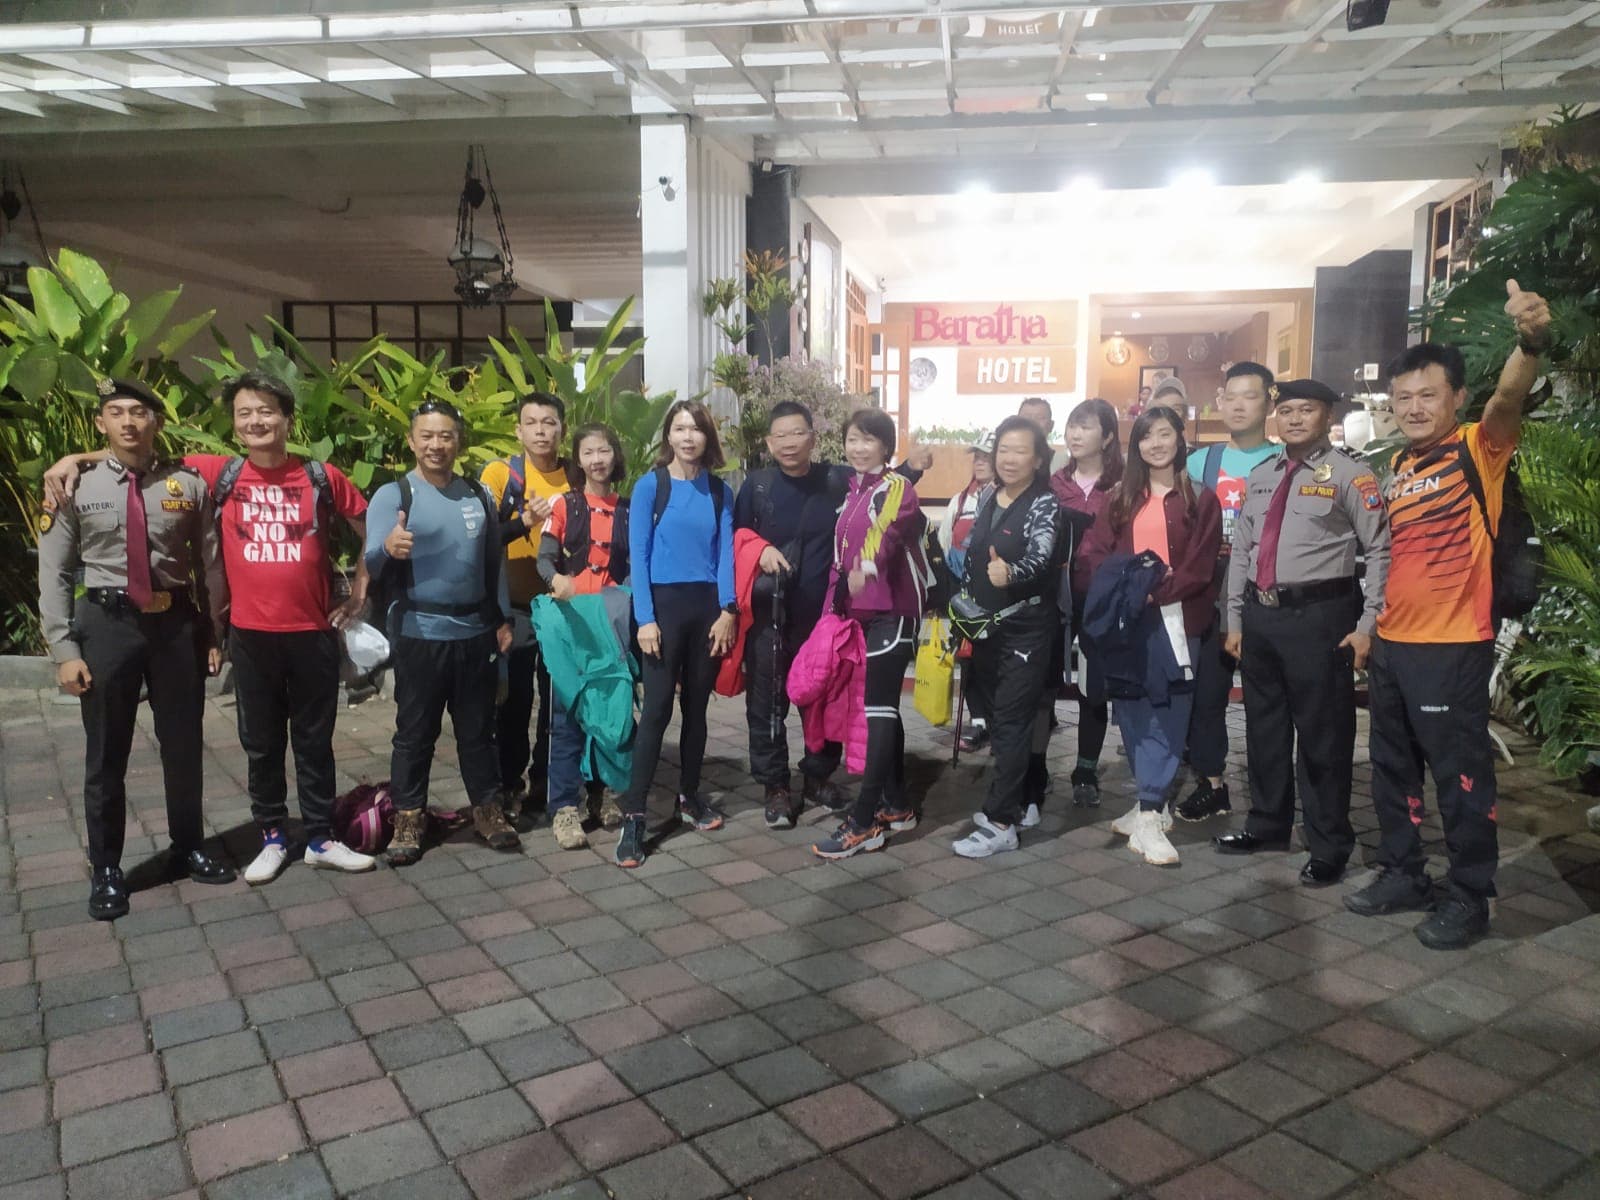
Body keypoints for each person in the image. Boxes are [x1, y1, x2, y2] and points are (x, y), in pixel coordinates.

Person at [43, 370, 380, 883]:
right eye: (245, 413)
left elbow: (369, 523)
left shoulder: (319, 476)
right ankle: (269, 836)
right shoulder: (215, 473)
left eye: (267, 411)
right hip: (245, 633)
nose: (256, 421)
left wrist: (360, 592)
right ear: (235, 424)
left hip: (309, 630)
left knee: (312, 739)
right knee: (260, 742)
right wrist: (76, 460)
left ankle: (318, 836)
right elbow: (138, 459)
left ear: (287, 419)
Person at [1347, 280, 1551, 949]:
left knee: (1461, 778)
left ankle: (1470, 894)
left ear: (1455, 398)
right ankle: (1404, 872)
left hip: (1453, 646)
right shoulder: (1402, 464)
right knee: (1392, 768)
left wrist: (1529, 342)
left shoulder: (1478, 446)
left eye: (1427, 394)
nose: (1413, 407)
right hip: (1394, 646)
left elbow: (1508, 398)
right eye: (1402, 397)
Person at [38, 378, 233, 920]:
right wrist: (64, 649)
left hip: (175, 626)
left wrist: (213, 631)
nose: (128, 422)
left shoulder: (188, 483)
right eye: (116, 413)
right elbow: (53, 571)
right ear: (102, 424)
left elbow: (210, 563)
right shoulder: (72, 484)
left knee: (184, 743)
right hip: (106, 626)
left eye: (139, 412)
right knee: (106, 755)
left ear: (157, 423)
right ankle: (106, 868)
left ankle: (188, 843)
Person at [1216, 379, 1391, 886]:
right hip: (1262, 616)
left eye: (1306, 410)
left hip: (1320, 619)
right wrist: (1235, 618)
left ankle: (1329, 841)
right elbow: (1243, 551)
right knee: (1264, 729)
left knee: (1323, 736)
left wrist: (1367, 626)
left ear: (1326, 414)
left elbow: (1380, 552)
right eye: (1286, 410)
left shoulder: (1351, 476)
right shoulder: (1263, 475)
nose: (1293, 419)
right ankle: (1268, 824)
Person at [735, 401, 929, 830]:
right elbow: (735, 537)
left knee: (824, 699)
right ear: (768, 442)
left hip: (824, 618)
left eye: (797, 433)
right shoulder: (758, 485)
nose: (789, 443)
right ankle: (775, 787)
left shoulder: (837, 479)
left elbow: (885, 498)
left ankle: (818, 777)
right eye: (780, 435)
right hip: (770, 614)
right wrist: (759, 549)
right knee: (767, 703)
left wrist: (913, 468)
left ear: (814, 438)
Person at [364, 399, 518, 866]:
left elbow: (495, 565)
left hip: (475, 634)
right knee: (414, 733)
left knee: (478, 731)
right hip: (420, 633)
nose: (436, 445)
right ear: (411, 441)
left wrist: (504, 619)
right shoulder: (394, 496)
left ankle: (487, 811)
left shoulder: (476, 495)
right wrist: (388, 547)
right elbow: (371, 559)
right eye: (427, 436)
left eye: (445, 436)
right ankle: (408, 819)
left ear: (459, 441)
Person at [1076, 406, 1222, 867]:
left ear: (1179, 439)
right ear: (1135, 445)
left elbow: (1200, 566)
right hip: (1129, 619)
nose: (1156, 443)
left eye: (1165, 434)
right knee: (1134, 707)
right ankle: (1147, 802)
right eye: (1146, 436)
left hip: (1179, 620)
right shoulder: (1120, 497)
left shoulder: (1201, 498)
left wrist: (1156, 592)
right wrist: (1128, 591)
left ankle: (1153, 809)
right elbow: (1094, 553)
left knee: (1171, 710)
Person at [616, 400, 736, 868]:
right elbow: (637, 558)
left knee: (697, 710)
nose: (688, 437)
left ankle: (688, 798)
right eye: (680, 428)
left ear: (708, 438)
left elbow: (725, 554)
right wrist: (645, 619)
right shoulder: (651, 486)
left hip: (707, 609)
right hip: (662, 610)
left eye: (697, 429)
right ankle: (634, 815)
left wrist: (729, 610)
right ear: (669, 436)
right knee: (657, 712)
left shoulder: (721, 492)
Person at [812, 408, 929, 859]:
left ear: (886, 445)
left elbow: (886, 532)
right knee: (879, 712)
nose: (859, 448)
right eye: (852, 440)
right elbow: (839, 556)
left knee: (878, 712)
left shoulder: (895, 487)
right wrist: (832, 610)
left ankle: (864, 823)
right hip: (859, 614)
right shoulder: (854, 490)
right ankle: (897, 806)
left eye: (868, 440)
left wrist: (865, 567)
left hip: (892, 611)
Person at [1174, 362, 1283, 822]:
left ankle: (1273, 797)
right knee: (1208, 692)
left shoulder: (1285, 460)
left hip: (1268, 589)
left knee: (1269, 698)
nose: (1238, 405)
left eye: (1250, 396)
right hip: (1213, 588)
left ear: (1270, 400)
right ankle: (1212, 783)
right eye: (1230, 396)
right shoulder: (1202, 462)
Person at [949, 417, 1061, 858]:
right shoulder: (989, 496)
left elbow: (1041, 555)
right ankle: (1019, 799)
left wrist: (1011, 572)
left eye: (1020, 451)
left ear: (1038, 458)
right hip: (988, 627)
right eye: (1003, 450)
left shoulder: (1044, 503)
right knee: (999, 718)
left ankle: (1001, 823)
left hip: (1026, 629)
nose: (1010, 459)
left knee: (1013, 723)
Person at [535, 423, 630, 849]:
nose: (597, 460)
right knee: (567, 716)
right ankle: (564, 807)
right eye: (589, 452)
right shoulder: (564, 505)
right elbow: (544, 559)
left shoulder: (630, 508)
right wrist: (556, 578)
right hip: (572, 624)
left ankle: (604, 793)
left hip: (613, 625)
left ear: (615, 456)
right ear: (579, 459)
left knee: (612, 710)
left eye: (604, 451)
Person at [479, 392, 572, 823]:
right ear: (518, 430)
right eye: (531, 422)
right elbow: (479, 538)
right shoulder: (501, 475)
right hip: (514, 608)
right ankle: (507, 786)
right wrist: (523, 524)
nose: (540, 430)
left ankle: (547, 779)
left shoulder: (574, 478)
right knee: (513, 701)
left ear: (562, 429)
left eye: (549, 422)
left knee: (557, 699)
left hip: (560, 609)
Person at [1050, 398, 1123, 809]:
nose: (1075, 434)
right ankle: (1036, 766)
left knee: (1092, 686)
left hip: (1101, 599)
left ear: (1108, 435)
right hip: (1056, 597)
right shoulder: (1054, 483)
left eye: (1086, 427)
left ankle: (1085, 769)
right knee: (1044, 681)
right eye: (1072, 426)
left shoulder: (1125, 486)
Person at [939, 430, 995, 754]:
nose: (981, 462)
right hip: (964, 595)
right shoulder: (960, 500)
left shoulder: (1007, 498)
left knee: (995, 660)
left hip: (998, 594)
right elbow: (946, 543)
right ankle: (978, 721)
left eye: (987, 456)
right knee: (969, 659)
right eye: (977, 457)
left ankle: (997, 718)